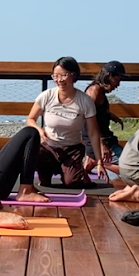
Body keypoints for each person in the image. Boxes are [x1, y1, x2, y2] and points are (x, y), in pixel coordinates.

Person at [26, 57, 108, 188]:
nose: (59, 80)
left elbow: (93, 132)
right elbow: (30, 119)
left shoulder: (85, 101)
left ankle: (71, 171)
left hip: (72, 149)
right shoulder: (46, 96)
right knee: (44, 182)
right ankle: (51, 171)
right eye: (55, 76)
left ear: (73, 75)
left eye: (63, 75)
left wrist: (99, 162)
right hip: (48, 147)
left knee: (72, 183)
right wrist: (39, 131)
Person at [82, 61, 127, 175]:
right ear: (109, 76)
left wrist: (110, 115)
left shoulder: (100, 92)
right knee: (129, 168)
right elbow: (89, 120)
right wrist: (101, 144)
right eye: (118, 80)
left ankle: (96, 161)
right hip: (99, 142)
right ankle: (97, 162)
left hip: (107, 140)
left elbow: (97, 111)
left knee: (131, 161)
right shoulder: (94, 91)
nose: (118, 84)